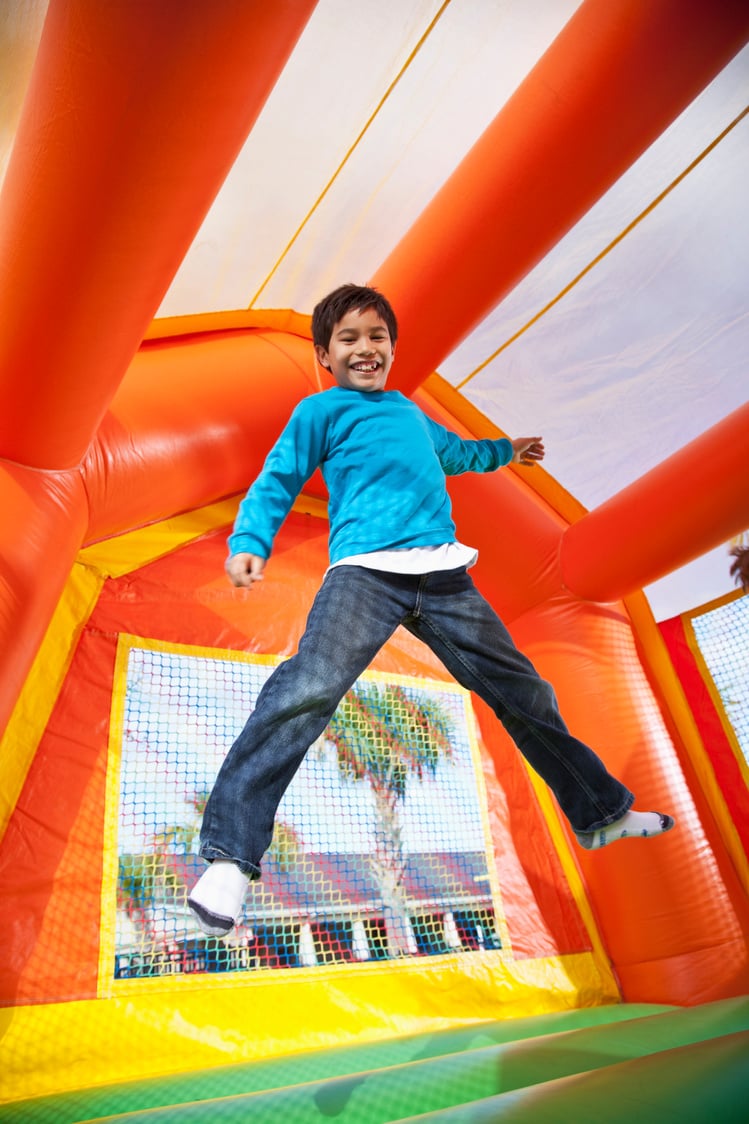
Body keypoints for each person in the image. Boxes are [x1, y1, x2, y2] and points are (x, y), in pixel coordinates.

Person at [188, 283, 674, 938]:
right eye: (349, 339)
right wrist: (250, 540)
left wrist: (509, 450)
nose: (366, 348)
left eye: (376, 336)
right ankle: (230, 860)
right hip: (363, 576)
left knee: (524, 691)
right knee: (304, 689)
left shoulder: (413, 415)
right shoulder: (320, 412)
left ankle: (600, 813)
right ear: (324, 357)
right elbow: (278, 476)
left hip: (443, 577)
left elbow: (462, 456)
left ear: (391, 348)